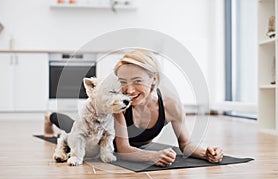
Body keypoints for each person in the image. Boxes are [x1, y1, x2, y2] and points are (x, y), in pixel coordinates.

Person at [44, 49, 224, 167]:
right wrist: (152, 157)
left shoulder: (171, 104)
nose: (129, 90)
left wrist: (205, 153)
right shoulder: (119, 105)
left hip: (135, 147)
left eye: (137, 81)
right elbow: (123, 149)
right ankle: (49, 116)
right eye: (123, 83)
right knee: (72, 127)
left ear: (153, 78)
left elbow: (185, 144)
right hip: (106, 142)